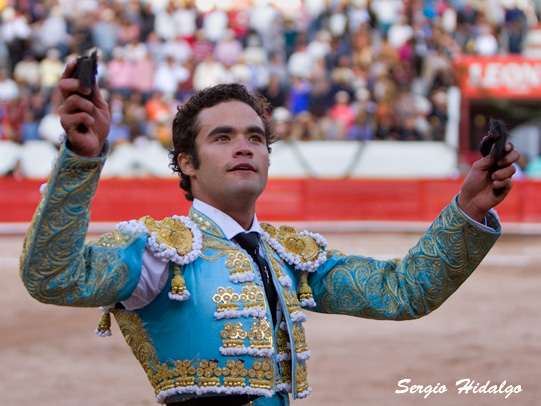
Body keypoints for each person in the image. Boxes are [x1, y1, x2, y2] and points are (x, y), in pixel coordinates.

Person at [20, 60, 520, 406]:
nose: (245, 148)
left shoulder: (290, 255)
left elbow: (403, 291)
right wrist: (81, 160)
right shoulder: (159, 251)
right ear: (186, 163)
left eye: (255, 138)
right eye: (223, 138)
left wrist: (469, 208)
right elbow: (52, 275)